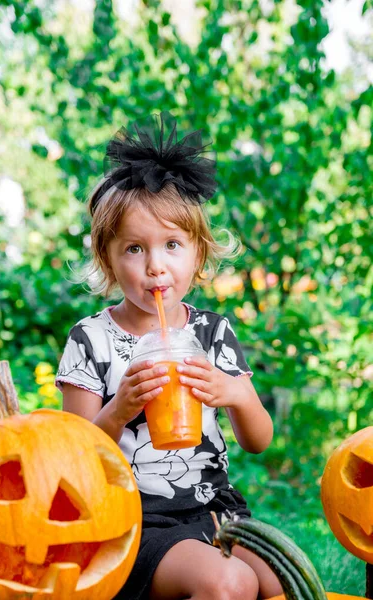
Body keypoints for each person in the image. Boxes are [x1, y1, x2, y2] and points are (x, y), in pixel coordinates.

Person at [56, 112, 281, 600]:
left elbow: (259, 440)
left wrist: (235, 394)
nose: (156, 266)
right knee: (229, 584)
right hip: (135, 519)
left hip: (219, 511)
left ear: (198, 255)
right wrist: (119, 410)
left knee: (279, 581)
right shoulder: (91, 340)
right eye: (135, 248)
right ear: (108, 258)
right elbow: (74, 462)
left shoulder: (211, 332)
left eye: (172, 245)